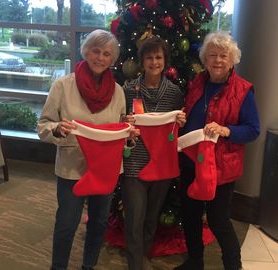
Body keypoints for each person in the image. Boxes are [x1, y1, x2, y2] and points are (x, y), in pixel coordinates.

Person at [38, 29, 125, 270]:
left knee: (98, 223)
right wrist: (57, 128)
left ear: (112, 59)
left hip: (105, 171)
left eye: (107, 53)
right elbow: (43, 125)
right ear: (86, 52)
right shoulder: (63, 86)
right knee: (67, 224)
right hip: (72, 168)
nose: (100, 57)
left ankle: (89, 266)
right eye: (96, 51)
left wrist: (130, 135)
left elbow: (122, 127)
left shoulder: (118, 92)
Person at [174, 31, 260, 270]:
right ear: (205, 59)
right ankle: (195, 261)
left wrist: (225, 130)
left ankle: (233, 266)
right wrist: (182, 118)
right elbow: (192, 112)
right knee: (190, 217)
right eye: (212, 55)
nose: (218, 60)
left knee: (218, 221)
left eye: (223, 55)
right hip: (191, 161)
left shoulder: (243, 91)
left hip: (219, 168)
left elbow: (253, 130)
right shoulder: (197, 82)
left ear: (232, 59)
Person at [122, 36, 186, 270]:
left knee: (151, 215)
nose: (154, 62)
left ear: (165, 60)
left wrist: (180, 120)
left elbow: (177, 129)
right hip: (135, 163)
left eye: (158, 57)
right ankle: (135, 263)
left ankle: (143, 255)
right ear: (142, 61)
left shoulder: (174, 93)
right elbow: (118, 122)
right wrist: (124, 121)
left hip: (162, 164)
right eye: (149, 57)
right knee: (135, 217)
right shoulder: (129, 89)